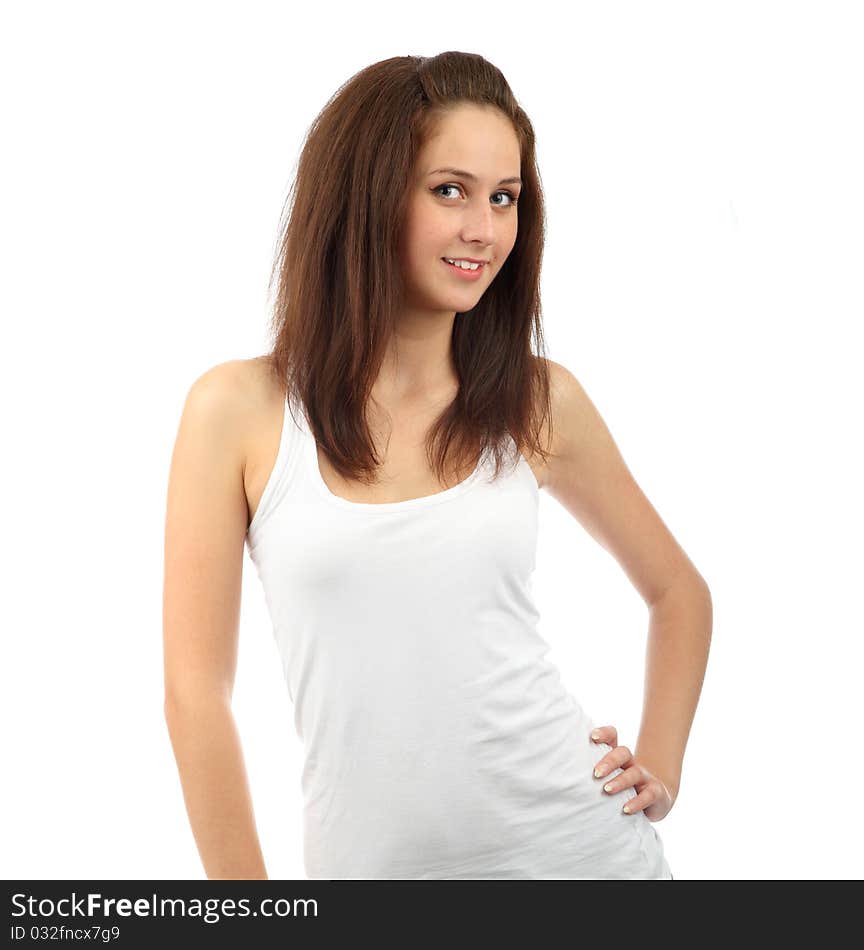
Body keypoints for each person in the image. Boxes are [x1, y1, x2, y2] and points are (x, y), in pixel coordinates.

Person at [163, 51, 712, 880]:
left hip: (586, 859)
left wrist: (660, 769)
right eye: (448, 190)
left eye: (505, 198)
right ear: (367, 193)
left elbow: (679, 593)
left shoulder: (538, 401)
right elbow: (194, 694)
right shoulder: (237, 412)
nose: (483, 230)